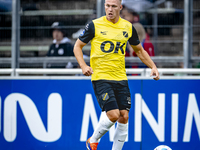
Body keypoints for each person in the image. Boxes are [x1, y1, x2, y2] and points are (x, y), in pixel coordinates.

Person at [73, 0, 160, 150]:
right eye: (107, 6)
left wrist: (153, 66)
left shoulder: (127, 27)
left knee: (124, 117)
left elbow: (139, 50)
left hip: (120, 77)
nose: (110, 9)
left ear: (120, 7)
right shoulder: (94, 25)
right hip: (101, 76)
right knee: (113, 114)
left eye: (113, 6)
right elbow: (77, 46)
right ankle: (92, 140)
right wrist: (83, 65)